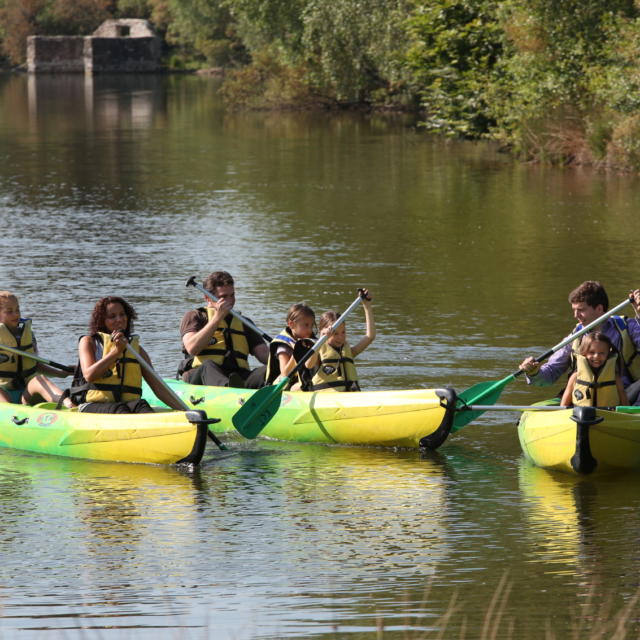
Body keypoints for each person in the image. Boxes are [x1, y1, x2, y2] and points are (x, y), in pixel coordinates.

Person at [519, 281, 640, 401]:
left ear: (599, 308)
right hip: (582, 398)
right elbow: (550, 374)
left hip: (624, 395)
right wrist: (534, 372)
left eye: (581, 310)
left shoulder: (627, 327)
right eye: (574, 310)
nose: (576, 315)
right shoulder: (575, 337)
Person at [71, 296, 185, 414]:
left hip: (127, 404)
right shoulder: (89, 342)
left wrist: (185, 411)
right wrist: (116, 352)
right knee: (120, 410)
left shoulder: (136, 350)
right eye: (112, 316)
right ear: (102, 321)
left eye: (122, 314)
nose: (119, 319)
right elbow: (89, 375)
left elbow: (158, 387)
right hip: (94, 405)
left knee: (141, 405)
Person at [179, 271, 268, 388]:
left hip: (238, 376)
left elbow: (264, 355)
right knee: (208, 365)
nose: (230, 301)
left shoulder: (244, 322)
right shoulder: (195, 316)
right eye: (223, 297)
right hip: (201, 376)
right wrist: (217, 318)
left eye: (232, 295)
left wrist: (285, 358)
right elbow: (192, 348)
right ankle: (229, 391)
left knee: (269, 370)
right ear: (207, 298)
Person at [0, 291, 74, 407]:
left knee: (39, 379)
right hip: (4, 392)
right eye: (9, 312)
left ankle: (70, 407)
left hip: (27, 392)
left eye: (17, 310)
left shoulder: (28, 334)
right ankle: (8, 415)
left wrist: (61, 374)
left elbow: (34, 364)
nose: (16, 314)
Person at [305, 289, 376, 392]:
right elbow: (308, 365)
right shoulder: (318, 350)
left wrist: (367, 306)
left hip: (349, 397)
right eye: (335, 333)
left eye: (343, 332)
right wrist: (321, 339)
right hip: (325, 398)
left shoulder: (348, 352)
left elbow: (370, 336)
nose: (340, 337)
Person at [560, 332, 628, 407]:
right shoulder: (575, 377)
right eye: (592, 352)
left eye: (602, 353)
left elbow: (624, 401)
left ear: (608, 354)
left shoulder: (615, 377)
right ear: (584, 353)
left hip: (609, 415)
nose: (596, 356)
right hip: (581, 416)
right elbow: (563, 405)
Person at [265, 303, 316, 390]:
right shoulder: (284, 346)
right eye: (306, 325)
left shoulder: (311, 341)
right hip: (286, 385)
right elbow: (285, 373)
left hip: (303, 381)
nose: (310, 330)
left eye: (311, 325)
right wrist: (296, 352)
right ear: (291, 324)